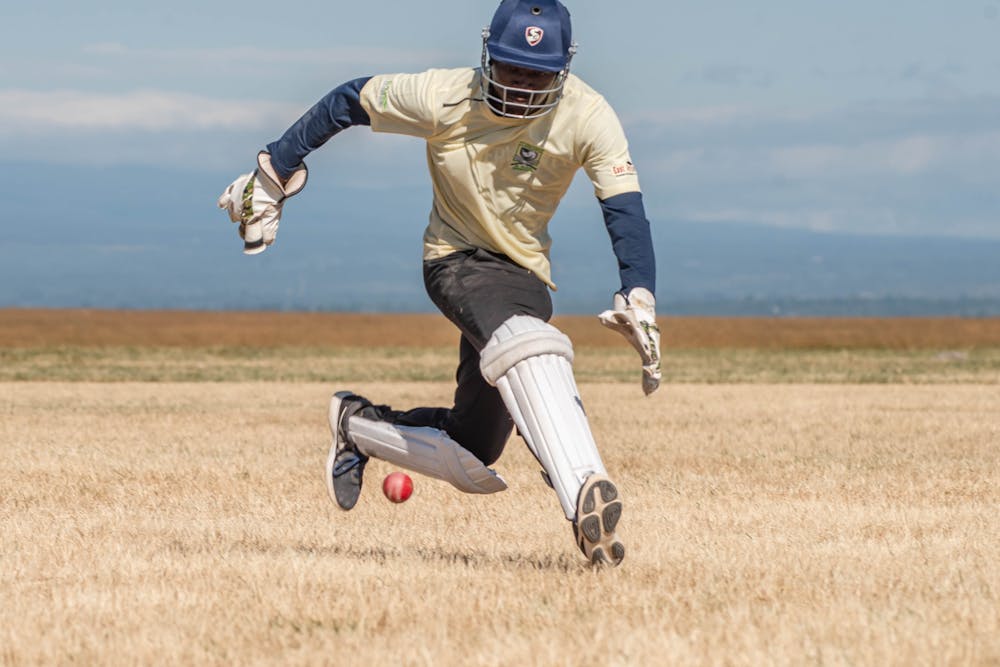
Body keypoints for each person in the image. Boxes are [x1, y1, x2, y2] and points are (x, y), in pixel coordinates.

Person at [217, 0, 661, 567]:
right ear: (487, 59)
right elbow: (349, 99)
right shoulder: (445, 95)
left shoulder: (589, 114)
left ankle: (356, 426)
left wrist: (639, 293)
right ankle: (584, 496)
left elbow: (624, 209)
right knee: (530, 348)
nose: (523, 85)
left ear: (563, 72)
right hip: (454, 261)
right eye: (510, 68)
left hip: (523, 276)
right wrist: (275, 169)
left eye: (538, 74)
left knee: (471, 451)